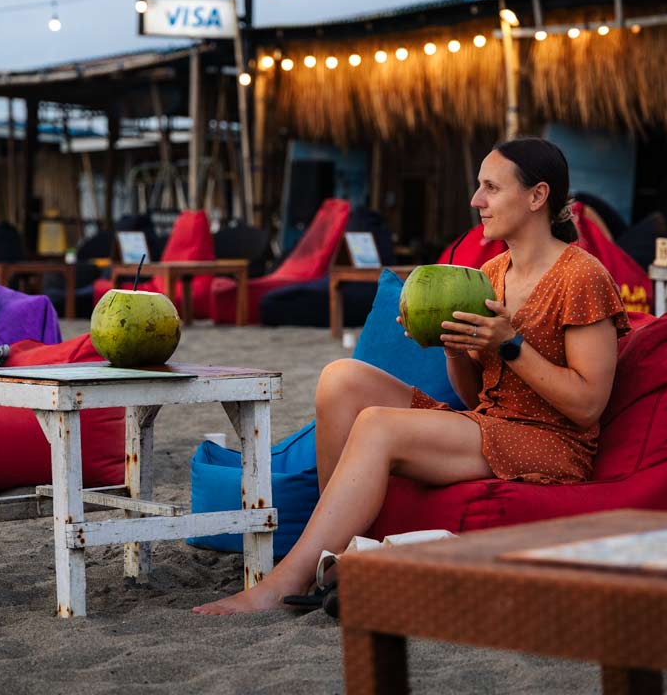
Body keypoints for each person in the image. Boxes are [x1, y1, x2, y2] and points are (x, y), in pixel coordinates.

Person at [194, 137, 630, 614]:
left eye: (491, 187)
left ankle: (283, 584)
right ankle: (336, 558)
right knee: (342, 378)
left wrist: (509, 344)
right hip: (492, 422)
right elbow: (472, 394)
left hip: (551, 442)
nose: (476, 200)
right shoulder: (491, 272)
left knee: (378, 425)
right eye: (478, 187)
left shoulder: (582, 277)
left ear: (536, 196)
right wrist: (454, 349)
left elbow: (589, 404)